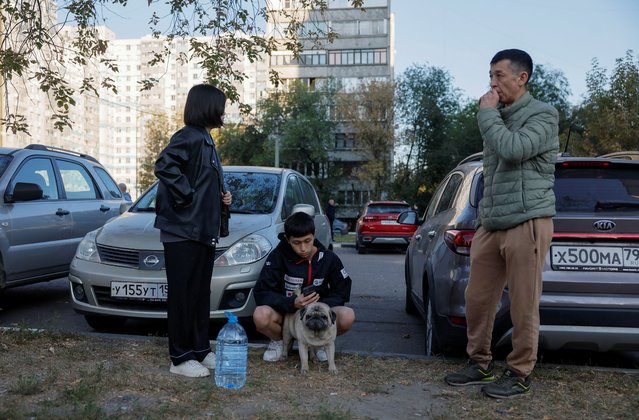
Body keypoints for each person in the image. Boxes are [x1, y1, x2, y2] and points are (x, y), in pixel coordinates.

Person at [444, 49, 559, 398]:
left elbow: (513, 149)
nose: (492, 83)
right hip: (491, 222)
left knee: (524, 303)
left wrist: (488, 116)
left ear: (521, 78)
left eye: (499, 76)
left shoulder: (543, 114)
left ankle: (520, 371)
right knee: (477, 298)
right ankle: (479, 363)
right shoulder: (499, 115)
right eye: (490, 76)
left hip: (528, 220)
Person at [154, 84, 232, 378]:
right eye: (221, 105)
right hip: (183, 231)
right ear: (207, 106)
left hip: (201, 230)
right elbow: (164, 165)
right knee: (183, 295)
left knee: (199, 294)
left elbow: (201, 180)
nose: (224, 111)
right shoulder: (189, 136)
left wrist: (223, 197)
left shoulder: (206, 139)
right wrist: (188, 195)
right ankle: (180, 357)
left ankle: (200, 349)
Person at [253, 211, 355, 362]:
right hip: (287, 315)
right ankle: (280, 342)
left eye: (307, 241)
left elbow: (342, 290)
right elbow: (262, 292)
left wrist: (320, 306)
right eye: (297, 243)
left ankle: (320, 343)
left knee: (348, 315)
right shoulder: (277, 256)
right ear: (288, 239)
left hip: (318, 313)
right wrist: (291, 303)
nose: (303, 248)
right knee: (260, 315)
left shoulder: (328, 258)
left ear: (314, 234)